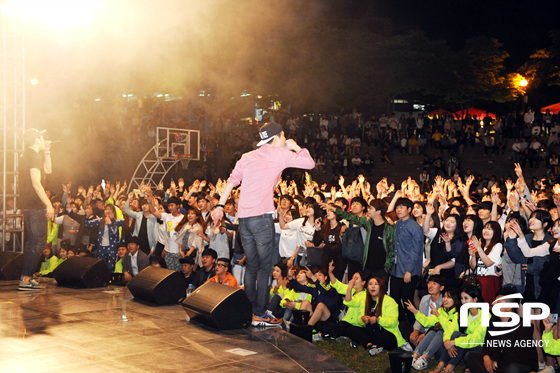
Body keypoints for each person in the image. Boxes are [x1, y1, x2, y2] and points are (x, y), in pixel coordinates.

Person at [211, 122, 315, 326]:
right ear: (277, 137)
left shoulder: (247, 156)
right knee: (265, 268)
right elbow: (309, 163)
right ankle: (259, 313)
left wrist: (220, 205)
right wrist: (295, 147)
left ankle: (250, 312)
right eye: (284, 137)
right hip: (262, 219)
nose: (285, 140)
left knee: (252, 266)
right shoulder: (280, 154)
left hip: (245, 221)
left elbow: (231, 181)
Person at [18, 128, 54, 290]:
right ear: (36, 139)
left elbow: (48, 170)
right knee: (38, 241)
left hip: (28, 205)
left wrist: (47, 151)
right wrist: (48, 204)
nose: (43, 139)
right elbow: (36, 183)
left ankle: (27, 277)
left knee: (33, 241)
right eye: (41, 137)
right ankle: (26, 279)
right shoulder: (32, 155)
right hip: (34, 205)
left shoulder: (29, 154)